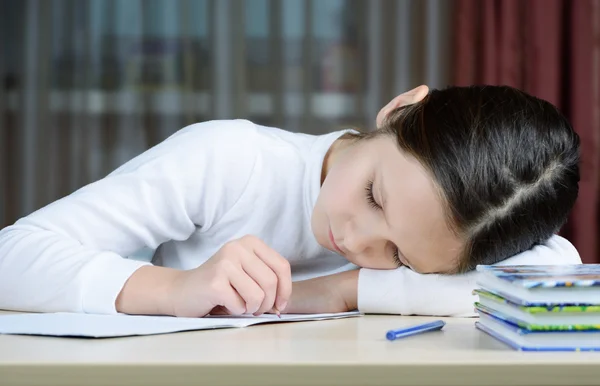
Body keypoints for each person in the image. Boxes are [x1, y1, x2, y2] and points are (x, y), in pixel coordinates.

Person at [0, 85, 582, 318]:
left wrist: (340, 290)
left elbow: (559, 269)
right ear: (399, 110)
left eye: (399, 257)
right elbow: (13, 256)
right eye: (375, 196)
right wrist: (176, 289)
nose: (356, 242)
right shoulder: (231, 161)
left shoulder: (438, 237)